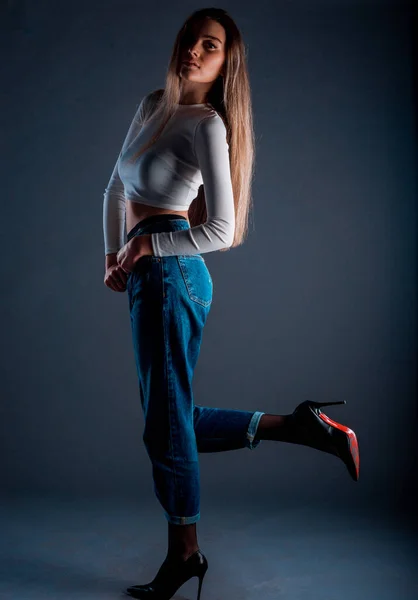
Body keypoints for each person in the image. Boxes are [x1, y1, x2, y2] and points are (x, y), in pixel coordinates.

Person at [102, 8, 360, 600]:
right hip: (148, 270)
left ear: (225, 63)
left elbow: (222, 229)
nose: (194, 50)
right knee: (171, 421)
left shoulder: (207, 125)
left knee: (164, 425)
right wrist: (113, 255)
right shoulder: (151, 105)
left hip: (173, 272)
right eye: (191, 40)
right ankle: (298, 426)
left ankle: (185, 553)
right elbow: (115, 187)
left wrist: (144, 245)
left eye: (210, 45)